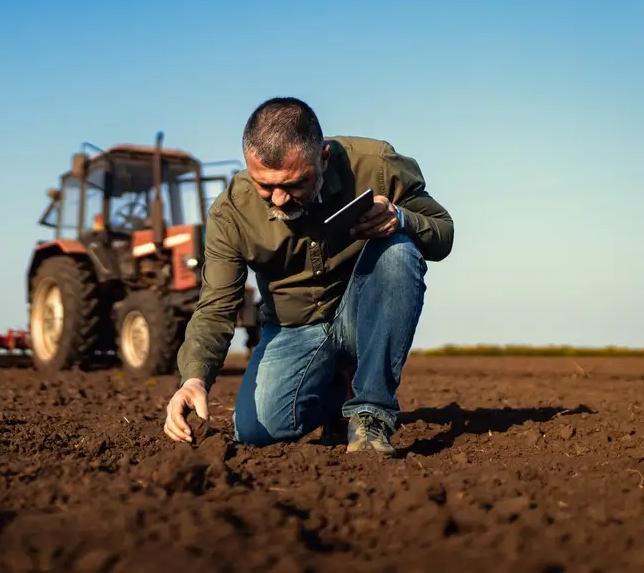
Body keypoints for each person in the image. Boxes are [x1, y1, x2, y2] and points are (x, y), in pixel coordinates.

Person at [162, 96, 454, 456]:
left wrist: (402, 218)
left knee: (398, 251)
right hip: (293, 329)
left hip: (359, 314)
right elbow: (217, 306)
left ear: (324, 158)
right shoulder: (231, 213)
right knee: (255, 431)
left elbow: (443, 233)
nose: (280, 199)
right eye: (265, 187)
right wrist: (194, 378)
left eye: (295, 184)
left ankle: (370, 414)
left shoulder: (376, 166)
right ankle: (337, 391)